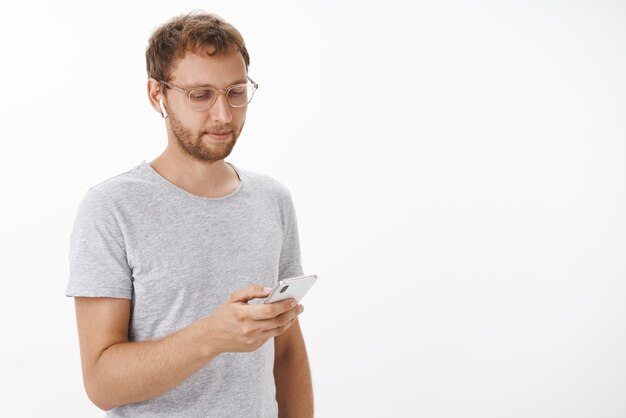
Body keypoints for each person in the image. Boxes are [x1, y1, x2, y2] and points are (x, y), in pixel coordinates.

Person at [66, 11, 314, 418]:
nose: (223, 114)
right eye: (201, 95)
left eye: (236, 92)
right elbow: (101, 383)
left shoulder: (272, 199)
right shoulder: (111, 208)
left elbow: (285, 350)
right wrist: (213, 336)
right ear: (156, 95)